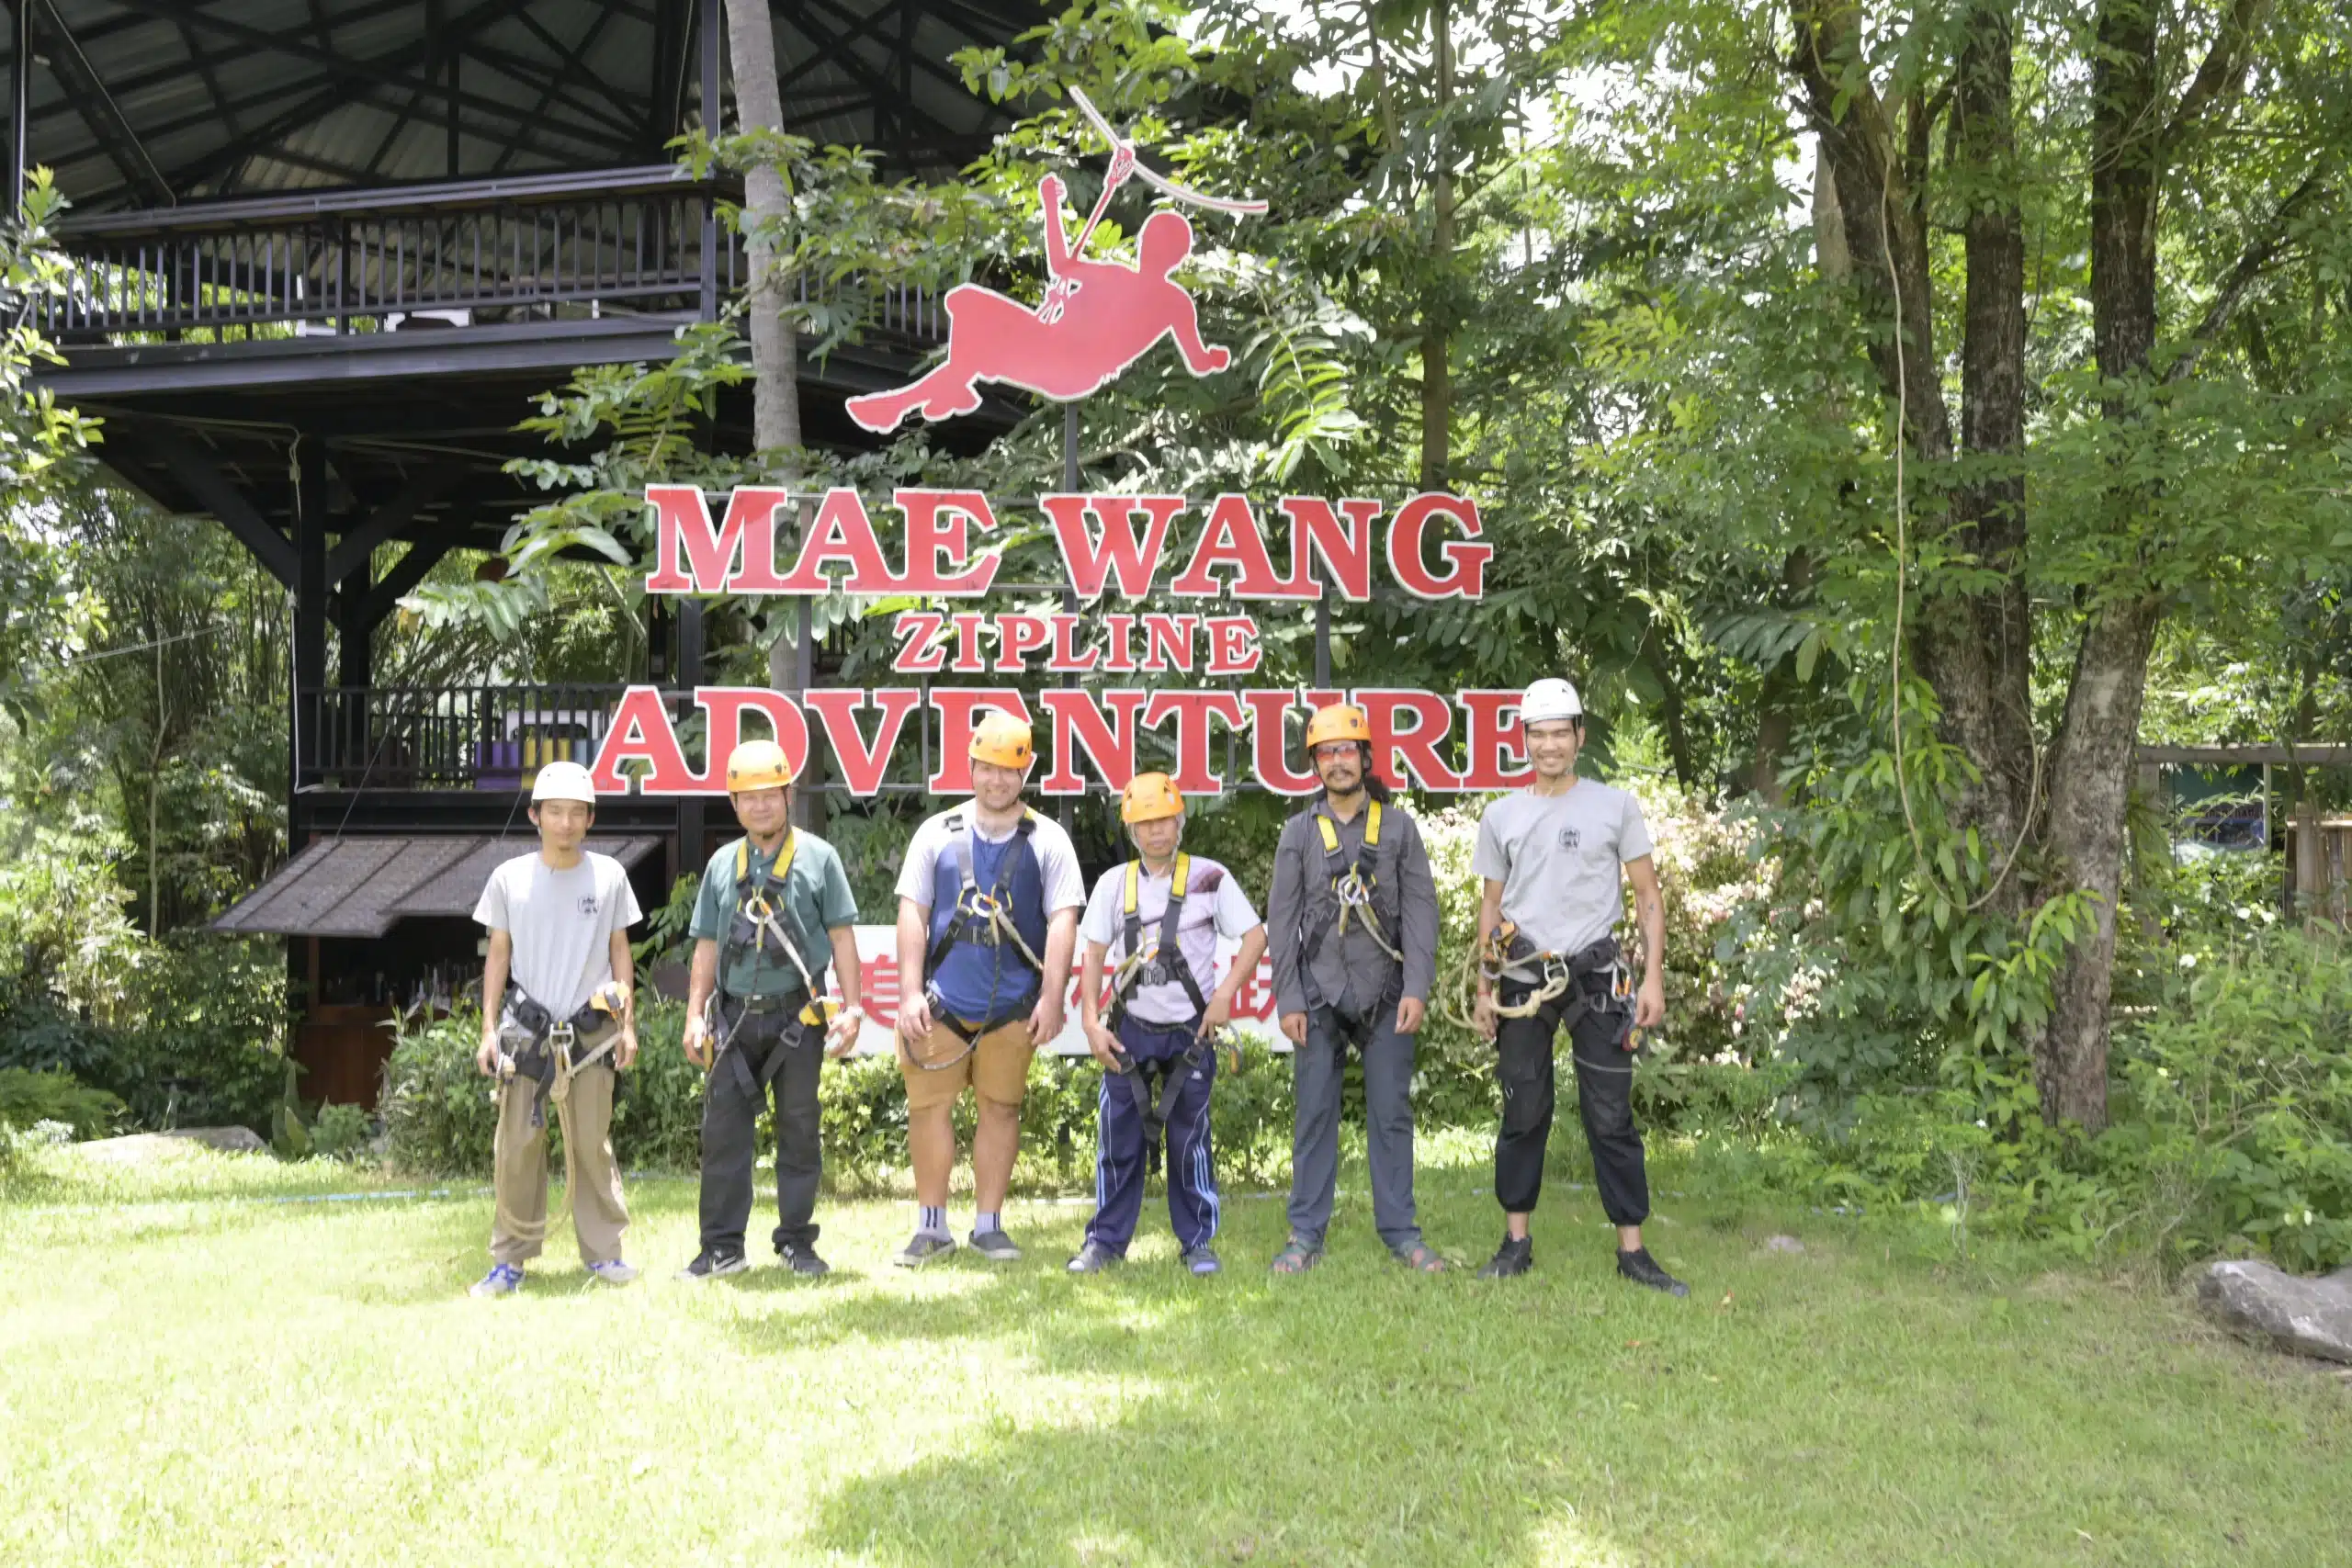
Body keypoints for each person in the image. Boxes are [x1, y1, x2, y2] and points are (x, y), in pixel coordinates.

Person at [1469, 679, 1686, 1294]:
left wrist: (1651, 976)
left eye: (1559, 732)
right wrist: (1486, 987)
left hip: (1597, 973)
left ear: (1579, 737)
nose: (1548, 745)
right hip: (1521, 973)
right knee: (1523, 1107)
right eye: (1537, 734)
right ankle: (1515, 1240)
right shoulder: (1502, 814)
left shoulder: (1615, 806)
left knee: (1611, 1113)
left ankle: (1633, 1250)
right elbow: (1490, 906)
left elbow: (1647, 895)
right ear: (1525, 741)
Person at [889, 712, 1085, 1265]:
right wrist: (908, 993)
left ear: (1027, 771)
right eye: (986, 768)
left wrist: (1052, 997)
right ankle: (931, 1227)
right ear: (970, 768)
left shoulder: (1049, 840)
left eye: (1008, 770)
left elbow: (1064, 920)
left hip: (1013, 1007)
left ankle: (988, 1225)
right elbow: (913, 912)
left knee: (1001, 1108)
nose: (997, 780)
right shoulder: (936, 833)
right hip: (942, 1003)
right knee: (929, 1109)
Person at [1265, 705, 1445, 1273]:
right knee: (1314, 1114)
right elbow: (1281, 921)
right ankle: (1305, 1236)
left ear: (1365, 759)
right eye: (1327, 752)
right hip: (1318, 997)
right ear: (1314, 764)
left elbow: (1421, 911)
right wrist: (1289, 998)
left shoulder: (1398, 829)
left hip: (1387, 993)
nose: (1338, 762)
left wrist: (1416, 985)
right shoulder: (1298, 834)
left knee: (1391, 1114)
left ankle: (1401, 1232)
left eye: (1347, 751)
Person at [676, 739, 865, 1281]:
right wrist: (695, 1015)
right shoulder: (720, 866)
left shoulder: (818, 859)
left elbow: (841, 937)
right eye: (749, 798)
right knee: (723, 1134)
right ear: (734, 804)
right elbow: (706, 947)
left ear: (788, 795)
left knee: (800, 1130)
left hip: (797, 1017)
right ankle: (721, 1247)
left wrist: (852, 1008)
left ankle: (797, 1242)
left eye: (771, 795)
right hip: (733, 1019)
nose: (761, 806)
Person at [1069, 773, 1266, 1277]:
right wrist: (1091, 1021)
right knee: (1119, 1138)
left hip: (1190, 1032)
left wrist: (1225, 997)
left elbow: (1254, 937)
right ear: (1132, 831)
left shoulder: (1210, 878)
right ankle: (1105, 1244)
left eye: (1165, 821)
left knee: (1189, 1138)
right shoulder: (1115, 884)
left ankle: (1198, 1243)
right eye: (1145, 823)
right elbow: (1092, 955)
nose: (1157, 832)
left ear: (1181, 823)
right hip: (1128, 1029)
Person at [845, 174, 1230, 432]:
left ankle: (926, 395)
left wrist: (1049, 204)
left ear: (1171, 255)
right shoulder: (1142, 288)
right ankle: (922, 396)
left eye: (1155, 244)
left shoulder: (1149, 292)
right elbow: (1062, 265)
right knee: (966, 314)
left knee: (966, 310)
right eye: (1148, 240)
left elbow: (1063, 264)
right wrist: (1050, 206)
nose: (1148, 248)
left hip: (1064, 361)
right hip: (1056, 353)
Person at [468, 761, 643, 1297]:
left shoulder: (609, 876)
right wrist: (488, 1029)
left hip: (589, 1034)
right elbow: (498, 955)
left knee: (591, 1143)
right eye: (555, 812)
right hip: (525, 1030)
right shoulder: (509, 879)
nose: (565, 823)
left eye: (576, 813)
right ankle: (509, 1259)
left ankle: (604, 1254)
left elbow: (620, 952)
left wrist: (627, 1027)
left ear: (589, 819)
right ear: (535, 816)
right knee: (516, 1145)